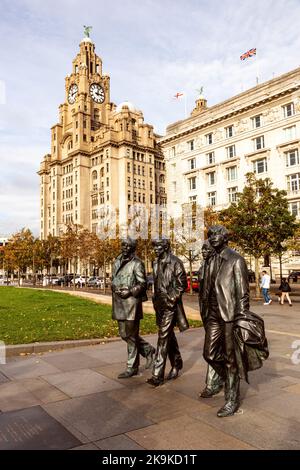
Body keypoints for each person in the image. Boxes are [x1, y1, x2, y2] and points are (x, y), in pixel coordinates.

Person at [203, 225, 249, 417]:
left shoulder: (236, 260)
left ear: (224, 237)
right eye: (210, 235)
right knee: (209, 353)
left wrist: (242, 319)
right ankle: (227, 377)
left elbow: (243, 293)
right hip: (213, 314)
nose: (212, 238)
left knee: (230, 358)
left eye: (216, 235)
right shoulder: (211, 259)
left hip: (229, 315)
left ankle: (232, 399)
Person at [147, 237, 189, 386]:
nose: (155, 250)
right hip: (159, 305)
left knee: (163, 338)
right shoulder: (156, 262)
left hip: (170, 306)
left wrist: (172, 299)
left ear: (165, 247)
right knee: (168, 335)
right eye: (154, 247)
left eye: (158, 247)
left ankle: (157, 375)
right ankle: (177, 363)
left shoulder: (176, 262)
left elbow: (182, 284)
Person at [111, 238, 155, 378]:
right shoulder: (116, 261)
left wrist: (130, 291)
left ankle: (132, 367)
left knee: (130, 334)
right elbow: (113, 278)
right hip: (118, 302)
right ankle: (148, 350)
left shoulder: (137, 264)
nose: (123, 247)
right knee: (124, 334)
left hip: (131, 303)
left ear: (132, 248)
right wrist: (113, 286)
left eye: (127, 246)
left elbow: (143, 283)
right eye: (122, 245)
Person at [198, 240, 223, 398]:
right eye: (202, 250)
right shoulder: (204, 266)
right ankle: (220, 377)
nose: (203, 252)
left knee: (211, 351)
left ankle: (215, 381)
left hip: (222, 312)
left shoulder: (223, 264)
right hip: (209, 313)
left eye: (206, 249)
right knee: (211, 350)